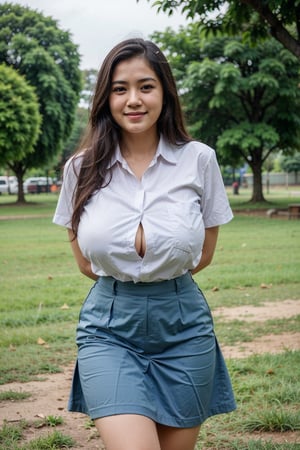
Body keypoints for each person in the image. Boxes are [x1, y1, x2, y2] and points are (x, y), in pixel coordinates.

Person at [53, 38, 236, 450]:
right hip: (109, 329)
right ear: (106, 98)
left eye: (146, 86)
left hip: (185, 328)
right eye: (120, 89)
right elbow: (84, 261)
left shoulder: (199, 160)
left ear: (165, 93)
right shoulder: (79, 169)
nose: (133, 100)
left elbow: (203, 254)